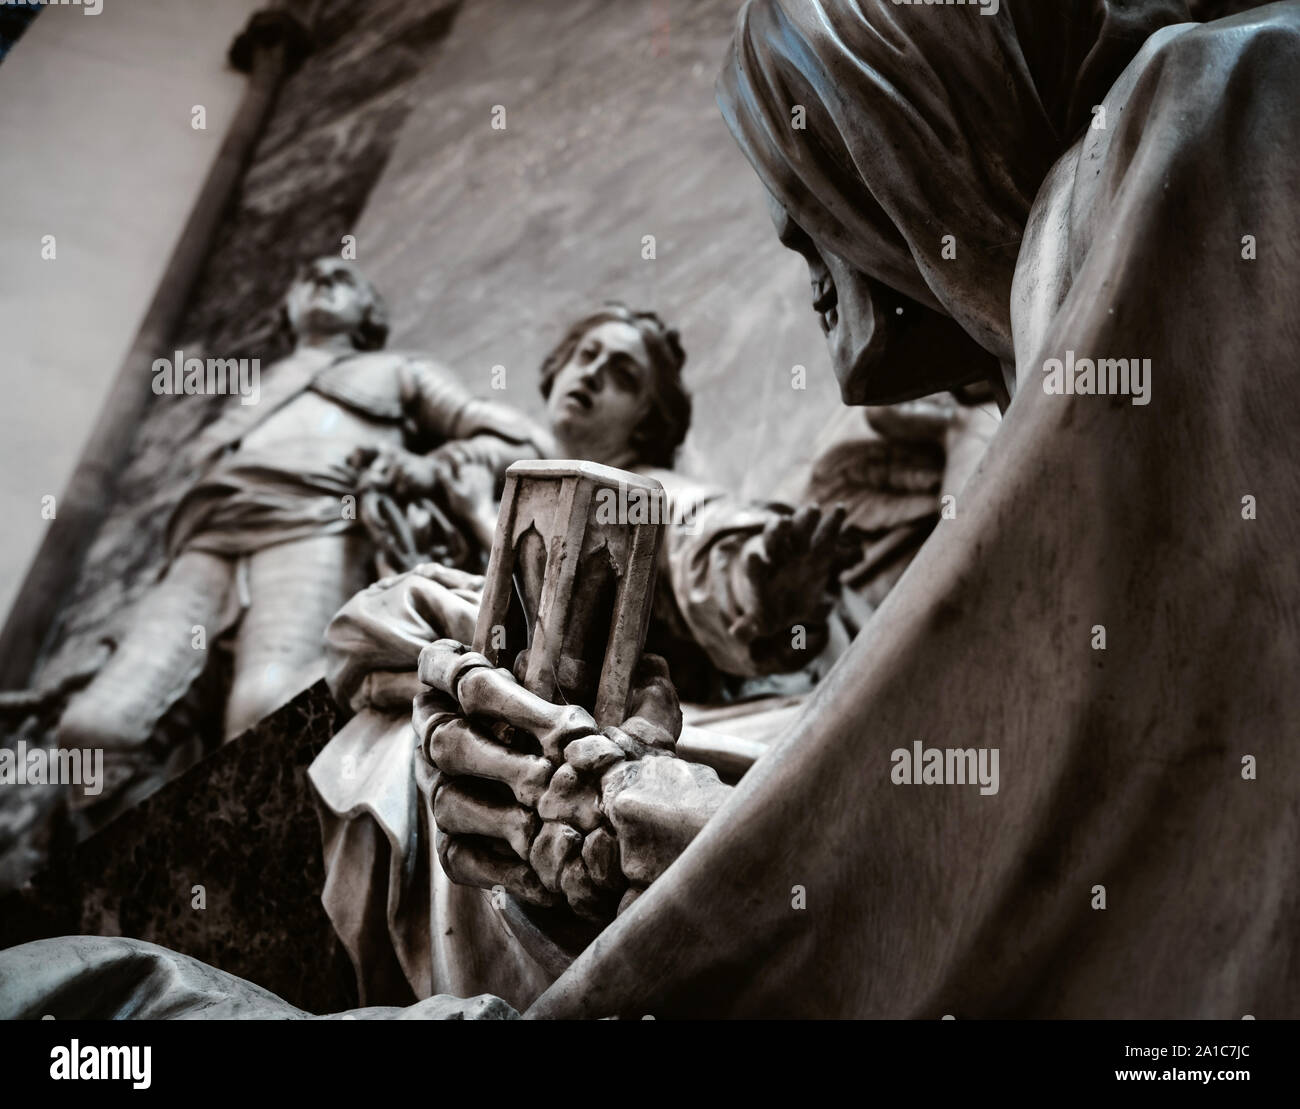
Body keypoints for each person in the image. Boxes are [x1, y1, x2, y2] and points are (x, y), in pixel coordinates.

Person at [422, 0, 1300, 1019]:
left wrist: (697, 833)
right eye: (578, 359)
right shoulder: (1082, 253)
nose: (798, 245)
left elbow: (1135, 764)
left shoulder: (1211, 106)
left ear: (896, 116)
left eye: (808, 194)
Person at [309, 302, 865, 1006]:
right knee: (393, 641)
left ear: (646, 419)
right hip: (479, 703)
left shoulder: (649, 495)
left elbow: (711, 544)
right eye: (586, 355)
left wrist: (761, 584)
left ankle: (546, 834)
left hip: (607, 726)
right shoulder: (479, 467)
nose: (594, 372)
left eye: (623, 372)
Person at [54, 257, 546, 820]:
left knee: (268, 716)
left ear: (369, 313)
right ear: (286, 313)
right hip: (210, 540)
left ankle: (244, 880)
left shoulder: (398, 370)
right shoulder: (249, 396)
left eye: (344, 277)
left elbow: (516, 438)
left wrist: (431, 469)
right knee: (95, 731)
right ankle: (152, 892)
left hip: (320, 523)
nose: (323, 278)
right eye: (308, 274)